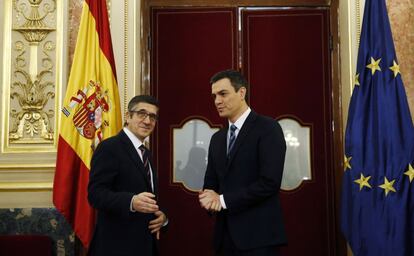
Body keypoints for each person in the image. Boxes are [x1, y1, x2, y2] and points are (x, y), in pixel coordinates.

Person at [199, 70, 287, 256]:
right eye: (214, 96)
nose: (217, 101)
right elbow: (211, 183)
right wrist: (208, 197)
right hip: (224, 239)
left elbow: (269, 183)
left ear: (241, 93)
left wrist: (222, 200)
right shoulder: (217, 138)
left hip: (259, 239)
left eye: (223, 94)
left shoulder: (268, 128)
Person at [88, 95, 167, 256]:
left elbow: (147, 197)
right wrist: (131, 201)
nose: (147, 121)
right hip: (116, 246)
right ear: (128, 116)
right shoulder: (109, 148)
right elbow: (95, 194)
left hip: (145, 245)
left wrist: (162, 219)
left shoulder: (145, 153)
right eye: (141, 114)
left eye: (152, 117)